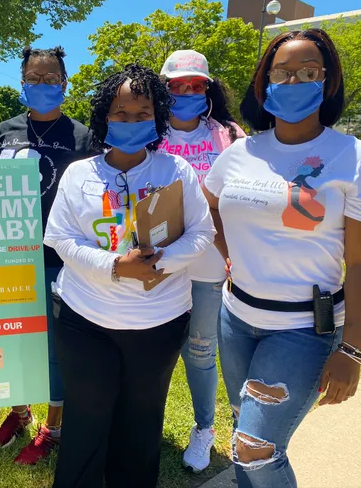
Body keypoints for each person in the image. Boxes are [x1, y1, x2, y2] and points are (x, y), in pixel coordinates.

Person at [202, 29, 361, 487]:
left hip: (304, 329)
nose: (293, 82)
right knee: (242, 434)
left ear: (327, 82)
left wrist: (352, 351)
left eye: (308, 71)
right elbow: (210, 207)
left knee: (256, 447)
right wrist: (231, 258)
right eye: (281, 73)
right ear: (264, 82)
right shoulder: (240, 152)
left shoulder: (357, 159)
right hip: (236, 317)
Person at [44, 63, 215, 488]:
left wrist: (160, 261)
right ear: (105, 116)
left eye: (143, 113)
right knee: (87, 419)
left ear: (157, 117)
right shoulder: (79, 174)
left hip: (158, 322)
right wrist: (116, 267)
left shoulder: (176, 172)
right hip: (85, 321)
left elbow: (203, 233)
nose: (132, 121)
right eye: (121, 113)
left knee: (141, 421)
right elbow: (61, 239)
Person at [0, 46, 94, 465]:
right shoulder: (2, 132)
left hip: (56, 259)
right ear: (22, 83)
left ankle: (53, 427)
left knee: (53, 347)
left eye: (51, 80)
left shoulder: (82, 136)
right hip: (7, 257)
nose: (43, 86)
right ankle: (18, 411)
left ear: (64, 84)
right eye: (35, 79)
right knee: (12, 339)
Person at [158, 49, 246, 472]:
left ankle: (205, 429)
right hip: (161, 259)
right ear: (165, 90)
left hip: (211, 260)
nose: (187, 92)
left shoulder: (229, 135)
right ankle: (140, 423)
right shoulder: (148, 130)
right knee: (154, 347)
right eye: (177, 86)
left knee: (200, 349)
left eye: (196, 85)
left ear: (207, 88)